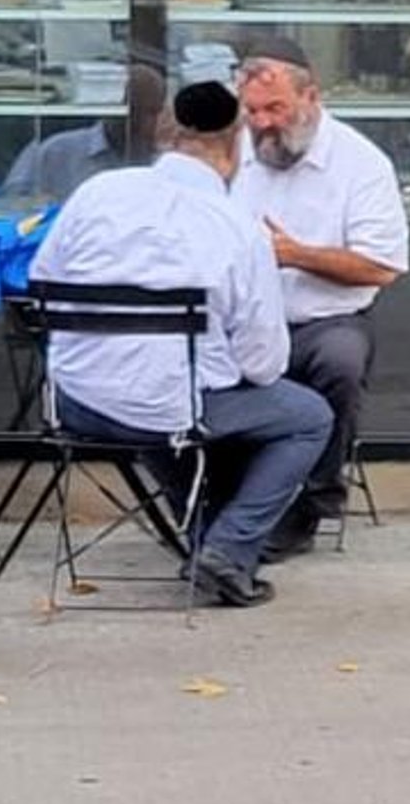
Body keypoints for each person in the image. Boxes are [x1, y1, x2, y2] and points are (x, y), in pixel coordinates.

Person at [29, 75, 333, 607]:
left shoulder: (97, 193)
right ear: (235, 143)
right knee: (306, 416)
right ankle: (230, 548)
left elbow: (42, 281)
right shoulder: (238, 227)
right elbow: (263, 364)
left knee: (160, 392)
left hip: (75, 402)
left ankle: (203, 536)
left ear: (168, 135)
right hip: (172, 407)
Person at [233, 36, 410, 561]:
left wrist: (294, 254)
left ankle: (311, 500)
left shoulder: (360, 163)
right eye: (252, 111)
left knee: (340, 360)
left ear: (311, 99)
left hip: (321, 320)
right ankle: (216, 498)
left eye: (275, 109)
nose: (262, 123)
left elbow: (382, 266)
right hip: (241, 318)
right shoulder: (232, 151)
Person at [1, 65, 166, 201]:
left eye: (154, 112)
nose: (150, 122)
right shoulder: (57, 151)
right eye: (138, 111)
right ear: (115, 109)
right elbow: (12, 203)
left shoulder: (166, 161)